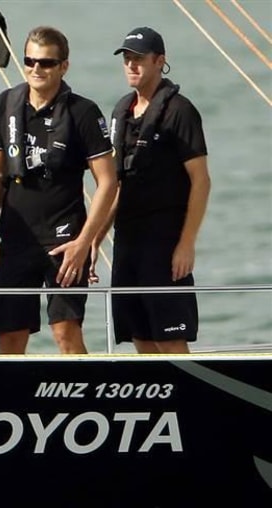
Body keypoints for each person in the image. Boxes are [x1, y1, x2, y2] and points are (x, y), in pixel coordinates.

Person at [0, 26, 117, 355]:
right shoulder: (7, 103)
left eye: (46, 63)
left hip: (65, 239)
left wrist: (85, 242)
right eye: (30, 61)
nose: (36, 69)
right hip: (15, 238)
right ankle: (12, 402)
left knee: (65, 334)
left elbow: (108, 182)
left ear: (63, 66)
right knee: (10, 337)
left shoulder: (83, 112)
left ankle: (82, 400)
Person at [91, 27, 210, 354]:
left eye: (139, 59)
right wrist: (95, 238)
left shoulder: (179, 111)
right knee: (139, 337)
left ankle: (191, 401)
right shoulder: (121, 111)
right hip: (128, 241)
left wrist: (186, 244)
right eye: (127, 59)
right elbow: (116, 184)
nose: (131, 65)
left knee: (169, 338)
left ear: (160, 61)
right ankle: (160, 405)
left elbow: (201, 180)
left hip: (164, 241)